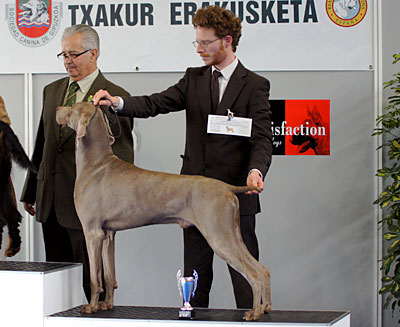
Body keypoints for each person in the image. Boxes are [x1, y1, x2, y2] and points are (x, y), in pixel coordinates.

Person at [93, 5, 272, 309]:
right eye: (197, 42)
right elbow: (156, 103)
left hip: (235, 194)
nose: (199, 49)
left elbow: (261, 139)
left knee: (243, 273)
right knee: (194, 280)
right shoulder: (194, 78)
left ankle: (257, 314)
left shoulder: (254, 85)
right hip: (190, 198)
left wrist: (256, 171)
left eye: (206, 43)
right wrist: (118, 102)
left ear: (227, 41)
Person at [20, 24, 134, 302]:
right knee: (56, 284)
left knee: (94, 283)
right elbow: (43, 144)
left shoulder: (115, 97)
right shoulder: (52, 91)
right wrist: (32, 189)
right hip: (51, 202)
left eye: (74, 54)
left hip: (92, 206)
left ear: (93, 53)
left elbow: (122, 156)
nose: (68, 60)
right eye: (63, 55)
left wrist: (116, 202)